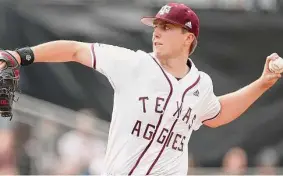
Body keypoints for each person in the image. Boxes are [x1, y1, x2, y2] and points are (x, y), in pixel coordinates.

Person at [0, 2, 281, 175]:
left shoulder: (200, 84)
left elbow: (217, 114)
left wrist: (263, 82)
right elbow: (74, 50)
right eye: (156, 25)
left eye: (167, 27)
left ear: (188, 38)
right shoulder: (133, 63)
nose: (156, 32)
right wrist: (21, 55)